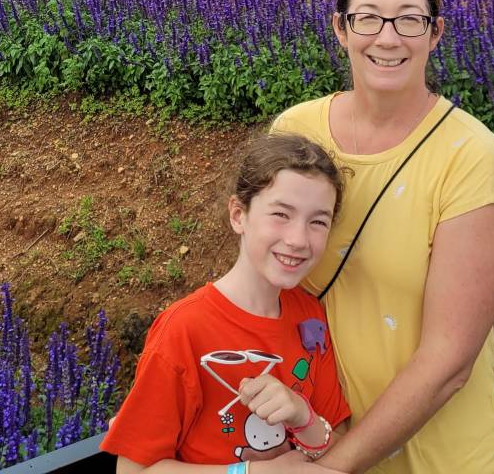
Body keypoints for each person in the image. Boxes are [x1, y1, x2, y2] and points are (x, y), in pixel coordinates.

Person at [268, 0, 494, 474]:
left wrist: (332, 469)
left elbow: (448, 363)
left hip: (429, 457)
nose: (387, 38)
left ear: (435, 33)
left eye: (409, 20)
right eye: (368, 18)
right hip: (308, 434)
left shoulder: (470, 157)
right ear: (341, 29)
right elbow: (259, 285)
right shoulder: (295, 131)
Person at [103, 135, 352, 474]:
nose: (298, 239)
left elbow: (338, 445)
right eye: (281, 214)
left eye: (318, 221)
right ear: (238, 215)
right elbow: (133, 471)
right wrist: (249, 472)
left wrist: (302, 415)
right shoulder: (184, 329)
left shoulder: (310, 316)